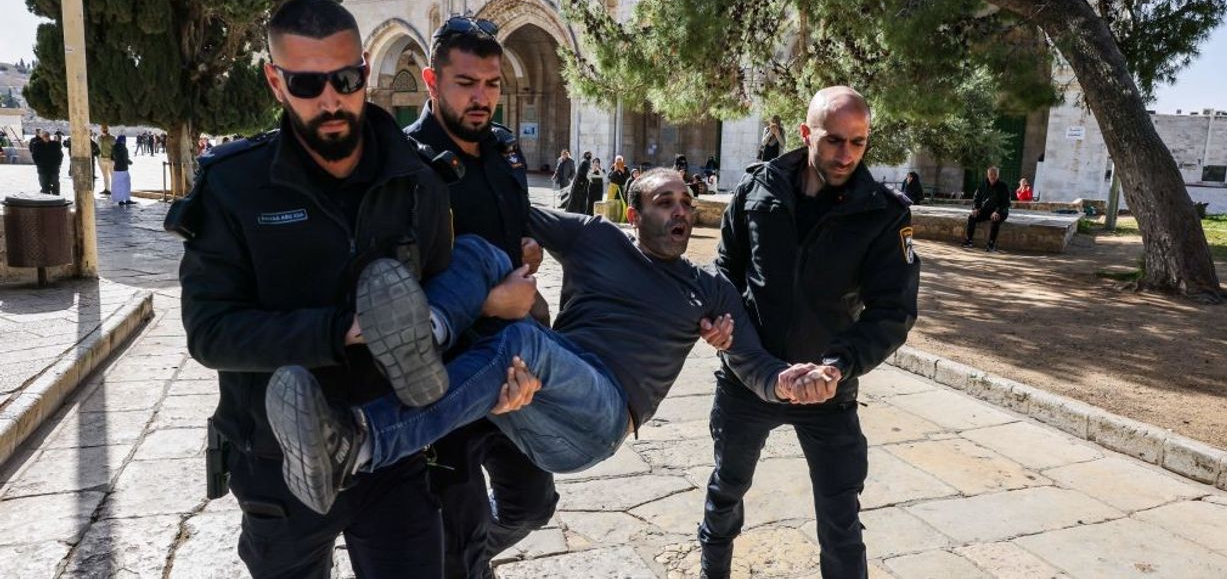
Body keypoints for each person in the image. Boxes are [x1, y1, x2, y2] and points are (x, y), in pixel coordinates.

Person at [265, 168, 842, 517]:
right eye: (665, 202)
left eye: (687, 204)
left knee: (524, 339)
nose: (682, 213)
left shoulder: (708, 289)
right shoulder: (595, 239)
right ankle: (430, 332)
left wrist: (786, 381)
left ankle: (361, 443)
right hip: (536, 398)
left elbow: (754, 364)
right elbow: (505, 213)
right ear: (632, 212)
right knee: (489, 256)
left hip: (601, 416)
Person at [172, 0, 455, 578]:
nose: (331, 99)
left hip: (391, 453)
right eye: (307, 84)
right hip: (279, 462)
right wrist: (335, 332)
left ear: (365, 71)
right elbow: (210, 332)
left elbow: (444, 297)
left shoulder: (418, 180)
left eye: (347, 78)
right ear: (276, 82)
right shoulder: (234, 186)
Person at [698, 86, 920, 579]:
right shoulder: (756, 190)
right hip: (748, 383)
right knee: (725, 494)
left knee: (841, 521)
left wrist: (838, 366)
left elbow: (893, 311)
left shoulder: (883, 213)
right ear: (805, 133)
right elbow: (727, 274)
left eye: (858, 143)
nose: (847, 155)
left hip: (828, 389)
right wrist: (721, 322)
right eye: (834, 141)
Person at [406, 15, 558, 578]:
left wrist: (526, 251)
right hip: (445, 377)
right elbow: (401, 285)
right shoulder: (407, 164)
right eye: (466, 83)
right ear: (431, 80)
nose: (482, 98)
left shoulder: (503, 149)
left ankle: (465, 563)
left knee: (533, 502)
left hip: (510, 364)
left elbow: (511, 229)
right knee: (459, 526)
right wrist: (491, 302)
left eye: (492, 84)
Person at [962, 166, 1010, 252]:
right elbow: (976, 198)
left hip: (1000, 211)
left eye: (995, 174)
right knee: (972, 217)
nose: (993, 176)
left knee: (995, 219)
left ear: (998, 175)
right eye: (991, 174)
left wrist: (997, 211)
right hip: (986, 210)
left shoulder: (1003, 186)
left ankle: (991, 244)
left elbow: (1006, 203)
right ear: (988, 175)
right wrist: (975, 208)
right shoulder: (983, 185)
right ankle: (969, 241)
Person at [32, 130, 63, 194]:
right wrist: (38, 164)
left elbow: (60, 155)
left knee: (55, 182)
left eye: (47, 136)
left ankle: (56, 196)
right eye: (45, 136)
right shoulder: (37, 145)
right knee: (44, 183)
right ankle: (46, 196)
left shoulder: (55, 144)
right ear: (42, 137)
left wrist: (58, 163)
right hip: (42, 167)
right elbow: (34, 155)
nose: (46, 138)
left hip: (53, 167)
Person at [112, 135, 135, 205]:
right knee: (126, 184)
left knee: (118, 185)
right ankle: (127, 199)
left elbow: (111, 157)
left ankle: (120, 200)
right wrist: (130, 162)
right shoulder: (124, 148)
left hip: (116, 169)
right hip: (123, 169)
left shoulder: (114, 147)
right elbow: (125, 159)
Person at [98, 125, 116, 195]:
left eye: (106, 129)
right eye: (103, 129)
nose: (104, 130)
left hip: (110, 160)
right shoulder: (99, 138)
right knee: (105, 175)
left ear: (108, 130)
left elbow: (115, 148)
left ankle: (115, 189)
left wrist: (114, 157)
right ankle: (107, 189)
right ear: (101, 130)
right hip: (101, 159)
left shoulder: (112, 138)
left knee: (113, 175)